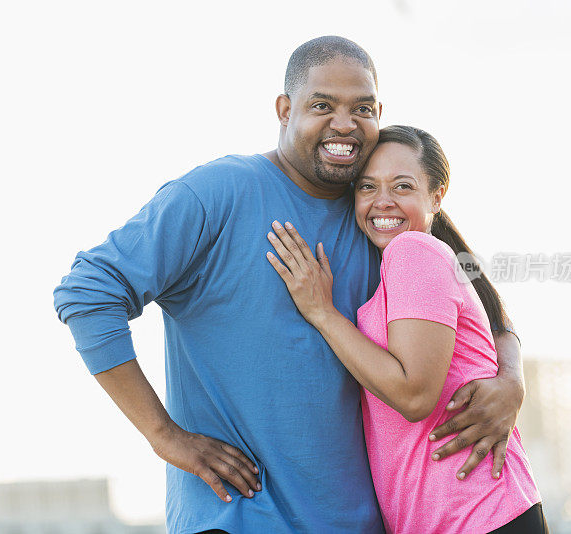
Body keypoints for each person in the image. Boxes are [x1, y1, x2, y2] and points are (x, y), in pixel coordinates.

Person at [54, 37, 526, 533]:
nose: (343, 123)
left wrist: (511, 378)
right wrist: (164, 436)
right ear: (285, 109)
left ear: (378, 113)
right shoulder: (217, 193)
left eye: (361, 108)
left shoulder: (376, 212)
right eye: (323, 105)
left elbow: (474, 291)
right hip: (236, 515)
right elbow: (87, 292)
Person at [265, 125, 547, 533]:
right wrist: (512, 377)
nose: (383, 202)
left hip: (477, 516)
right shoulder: (437, 258)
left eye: (402, 186)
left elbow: (414, 395)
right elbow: (495, 314)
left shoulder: (413, 250)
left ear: (436, 195)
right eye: (367, 187)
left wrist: (322, 313)